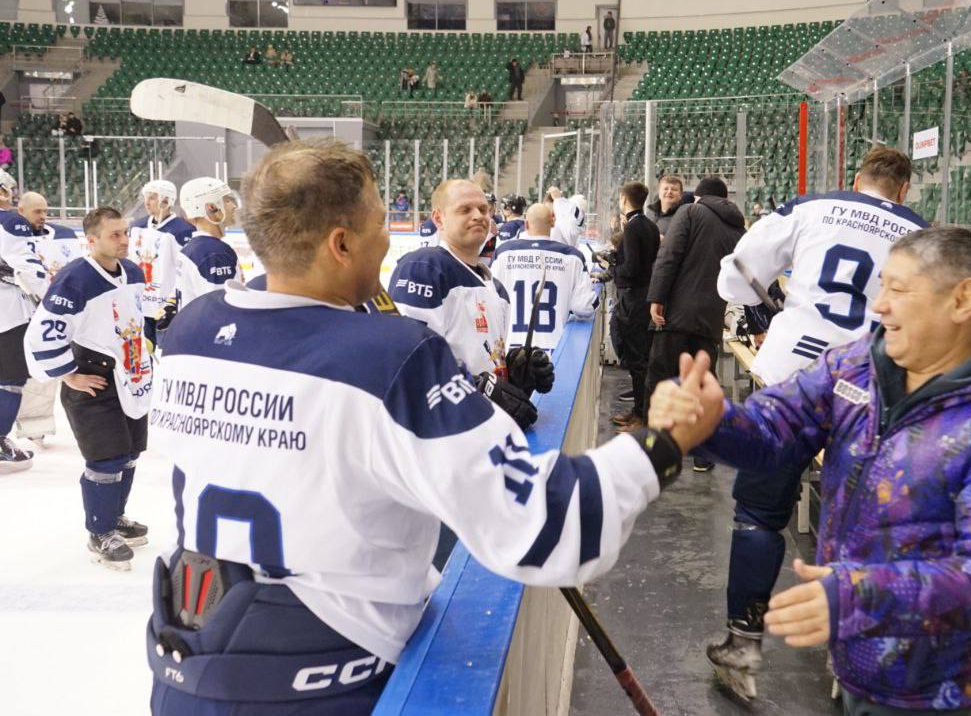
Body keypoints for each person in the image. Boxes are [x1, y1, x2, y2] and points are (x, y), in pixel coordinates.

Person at [146, 140, 714, 714]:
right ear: (340, 244)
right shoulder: (389, 357)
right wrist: (661, 443)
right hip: (326, 682)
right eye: (377, 224)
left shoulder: (192, 330)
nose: (390, 240)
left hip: (185, 662)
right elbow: (543, 525)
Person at [649, 227, 971, 714]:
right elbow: (776, 429)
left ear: (962, 300)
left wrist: (859, 597)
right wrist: (714, 422)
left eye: (898, 289)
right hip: (855, 658)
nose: (879, 306)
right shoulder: (860, 365)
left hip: (933, 689)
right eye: (880, 286)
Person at [704, 147, 924, 697]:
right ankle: (851, 660)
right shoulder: (920, 235)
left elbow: (734, 274)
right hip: (866, 386)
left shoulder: (812, 206)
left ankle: (742, 647)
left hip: (792, 373)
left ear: (856, 179)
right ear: (903, 190)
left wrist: (770, 306)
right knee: (862, 525)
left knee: (758, 513)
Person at [25, 207, 152, 570]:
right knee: (106, 458)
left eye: (126, 232)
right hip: (93, 382)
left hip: (131, 378)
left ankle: (116, 517)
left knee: (129, 454)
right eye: (115, 234)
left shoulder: (132, 271)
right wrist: (69, 374)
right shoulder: (75, 279)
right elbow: (44, 332)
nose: (125, 240)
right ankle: (100, 531)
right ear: (91, 239)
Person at [388, 180, 542, 428]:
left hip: (483, 432)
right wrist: (478, 388)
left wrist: (513, 373)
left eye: (483, 209)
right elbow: (407, 361)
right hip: (443, 435)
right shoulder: (423, 269)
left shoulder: (497, 289)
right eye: (465, 210)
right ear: (438, 218)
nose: (478, 216)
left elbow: (484, 359)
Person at [646, 177, 745, 468]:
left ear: (699, 197)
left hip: (676, 314)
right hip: (710, 318)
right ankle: (703, 455)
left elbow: (669, 256)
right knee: (703, 383)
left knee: (661, 377)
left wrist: (657, 297)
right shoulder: (738, 229)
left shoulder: (689, 212)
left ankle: (654, 451)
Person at [12, 191, 81, 446]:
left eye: (45, 210)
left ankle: (44, 425)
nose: (43, 216)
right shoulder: (11, 237)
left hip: (60, 312)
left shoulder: (65, 235)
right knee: (28, 371)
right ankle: (28, 425)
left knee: (62, 367)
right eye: (36, 211)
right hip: (20, 312)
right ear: (21, 211)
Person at [490, 202, 598, 354]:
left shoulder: (503, 253)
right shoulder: (572, 257)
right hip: (553, 351)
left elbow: (491, 304)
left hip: (512, 352)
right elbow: (583, 307)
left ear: (526, 224)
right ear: (553, 222)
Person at [0, 173, 47, 472]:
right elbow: (28, 268)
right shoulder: (9, 221)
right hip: (7, 314)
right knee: (11, 379)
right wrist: (49, 298)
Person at [611, 181, 660, 430]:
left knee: (637, 359)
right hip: (643, 296)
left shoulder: (632, 228)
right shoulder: (650, 225)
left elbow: (631, 268)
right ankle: (639, 411)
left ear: (624, 199)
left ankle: (642, 417)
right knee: (641, 358)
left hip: (634, 299)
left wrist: (612, 267)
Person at [130, 180, 196, 349]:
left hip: (167, 306)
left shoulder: (184, 230)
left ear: (166, 201)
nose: (146, 202)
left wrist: (174, 302)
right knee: (143, 352)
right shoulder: (136, 227)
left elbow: (186, 269)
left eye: (152, 198)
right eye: (146, 197)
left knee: (168, 352)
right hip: (140, 305)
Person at [167, 177, 240, 319]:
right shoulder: (215, 253)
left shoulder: (192, 248)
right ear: (210, 207)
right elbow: (220, 312)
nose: (233, 206)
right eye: (226, 200)